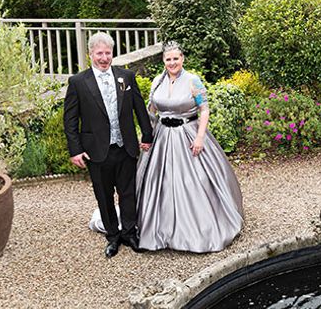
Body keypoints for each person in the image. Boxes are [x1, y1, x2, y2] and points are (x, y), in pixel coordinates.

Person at [136, 41, 243, 252]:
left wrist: (200, 137)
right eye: (168, 59)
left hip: (188, 136)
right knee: (158, 182)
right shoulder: (157, 81)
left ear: (182, 59)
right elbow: (151, 110)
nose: (172, 62)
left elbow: (204, 109)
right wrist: (146, 135)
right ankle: (157, 227)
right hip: (162, 138)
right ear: (163, 61)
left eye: (176, 58)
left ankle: (197, 229)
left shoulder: (193, 80)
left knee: (196, 181)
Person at [63, 32, 153, 258]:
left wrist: (147, 134)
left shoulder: (126, 77)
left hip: (126, 147)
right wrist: (75, 150)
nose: (104, 57)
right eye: (99, 53)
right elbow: (70, 119)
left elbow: (139, 108)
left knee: (128, 193)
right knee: (103, 195)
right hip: (96, 150)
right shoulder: (78, 82)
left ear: (113, 53)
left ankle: (130, 233)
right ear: (90, 53)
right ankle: (113, 236)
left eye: (108, 53)